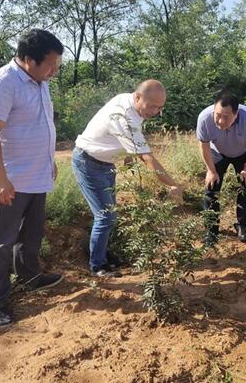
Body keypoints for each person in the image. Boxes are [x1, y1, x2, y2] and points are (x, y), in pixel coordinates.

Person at [0, 29, 65, 327]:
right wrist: (0, 179)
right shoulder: (3, 83)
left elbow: (38, 124)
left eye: (57, 65)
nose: (54, 71)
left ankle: (30, 278)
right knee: (1, 241)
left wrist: (49, 159)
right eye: (50, 65)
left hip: (37, 173)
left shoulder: (40, 81)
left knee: (32, 234)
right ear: (29, 59)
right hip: (12, 178)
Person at [72, 80, 183, 278]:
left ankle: (103, 254)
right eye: (152, 106)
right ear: (137, 97)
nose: (156, 112)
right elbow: (146, 157)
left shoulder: (130, 103)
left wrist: (127, 154)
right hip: (88, 163)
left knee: (110, 214)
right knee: (106, 216)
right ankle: (97, 265)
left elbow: (123, 136)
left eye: (160, 107)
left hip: (106, 164)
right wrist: (173, 184)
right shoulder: (123, 116)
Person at [197, 90, 246, 244]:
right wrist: (211, 171)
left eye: (225, 117)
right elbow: (204, 146)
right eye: (217, 115)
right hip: (217, 151)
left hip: (244, 152)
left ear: (236, 114)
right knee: (211, 187)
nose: (220, 120)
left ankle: (242, 226)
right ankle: (211, 231)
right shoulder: (205, 118)